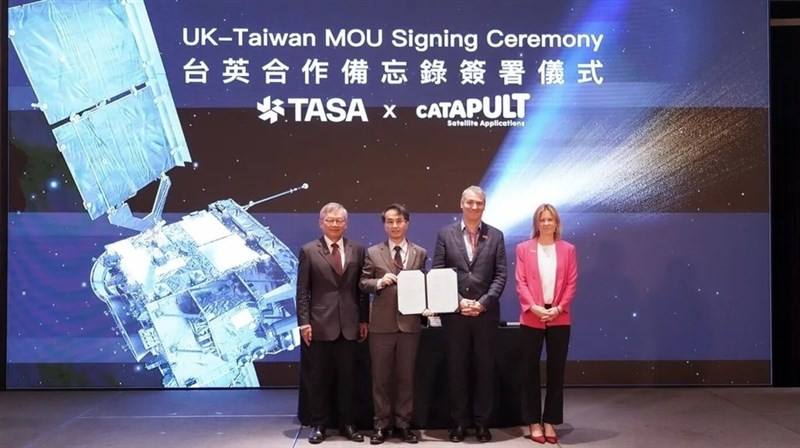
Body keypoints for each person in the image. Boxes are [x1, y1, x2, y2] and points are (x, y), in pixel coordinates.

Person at [432, 185, 507, 443]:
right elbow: (438, 272)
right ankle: (459, 423)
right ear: (461, 204)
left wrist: (483, 303)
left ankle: (482, 423)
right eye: (470, 202)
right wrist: (459, 302)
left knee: (485, 370)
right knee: (457, 370)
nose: (475, 207)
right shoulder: (445, 234)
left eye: (479, 203)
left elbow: (501, 275)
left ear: (484, 206)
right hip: (455, 316)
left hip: (485, 316)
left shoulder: (496, 236)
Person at [296, 202, 369, 444]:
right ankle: (319, 425)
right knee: (319, 379)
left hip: (349, 325)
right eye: (330, 220)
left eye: (339, 220)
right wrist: (304, 323)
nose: (335, 224)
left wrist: (364, 319)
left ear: (346, 223)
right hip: (319, 326)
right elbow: (302, 291)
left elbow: (362, 291)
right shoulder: (308, 251)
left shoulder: (358, 249)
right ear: (321, 223)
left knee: (349, 379)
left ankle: (349, 425)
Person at [360, 203, 427, 445]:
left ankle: (404, 424)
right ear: (384, 225)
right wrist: (378, 282)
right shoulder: (372, 252)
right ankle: (381, 425)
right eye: (390, 221)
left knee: (406, 378)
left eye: (399, 221)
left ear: (406, 223)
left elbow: (424, 286)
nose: (395, 225)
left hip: (410, 325)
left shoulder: (420, 252)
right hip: (381, 325)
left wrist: (426, 306)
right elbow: (362, 283)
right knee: (380, 379)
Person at [515, 203, 578, 444]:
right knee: (529, 371)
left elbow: (572, 282)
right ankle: (533, 421)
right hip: (532, 316)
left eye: (550, 219)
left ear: (556, 223)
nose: (546, 223)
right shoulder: (524, 249)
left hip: (560, 317)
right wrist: (534, 307)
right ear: (536, 223)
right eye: (542, 219)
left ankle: (550, 421)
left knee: (556, 371)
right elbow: (520, 282)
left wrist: (559, 308)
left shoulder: (568, 249)